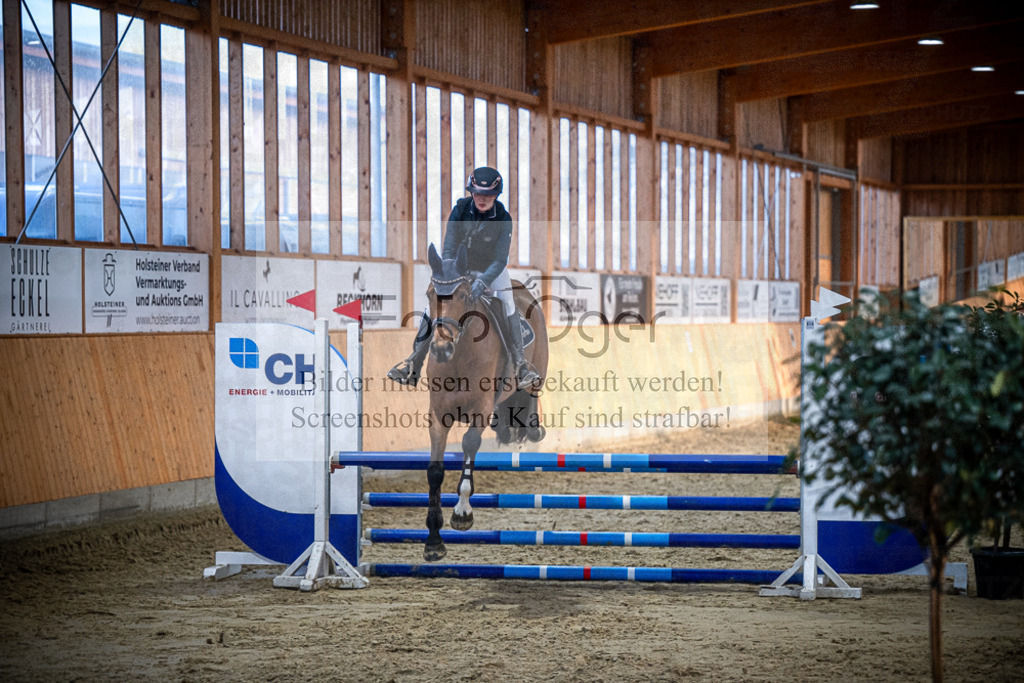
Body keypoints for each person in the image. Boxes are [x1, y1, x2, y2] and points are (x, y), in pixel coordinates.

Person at [387, 166, 540, 390]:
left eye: (487, 195)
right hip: (459, 270)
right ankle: (413, 363)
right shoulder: (460, 210)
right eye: (477, 193)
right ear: (471, 192)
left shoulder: (503, 219)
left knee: (508, 304)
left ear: (496, 195)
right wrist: (451, 273)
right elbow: (449, 246)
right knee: (434, 307)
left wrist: (482, 282)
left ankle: (520, 364)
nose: (481, 198)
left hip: (490, 270)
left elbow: (500, 259)